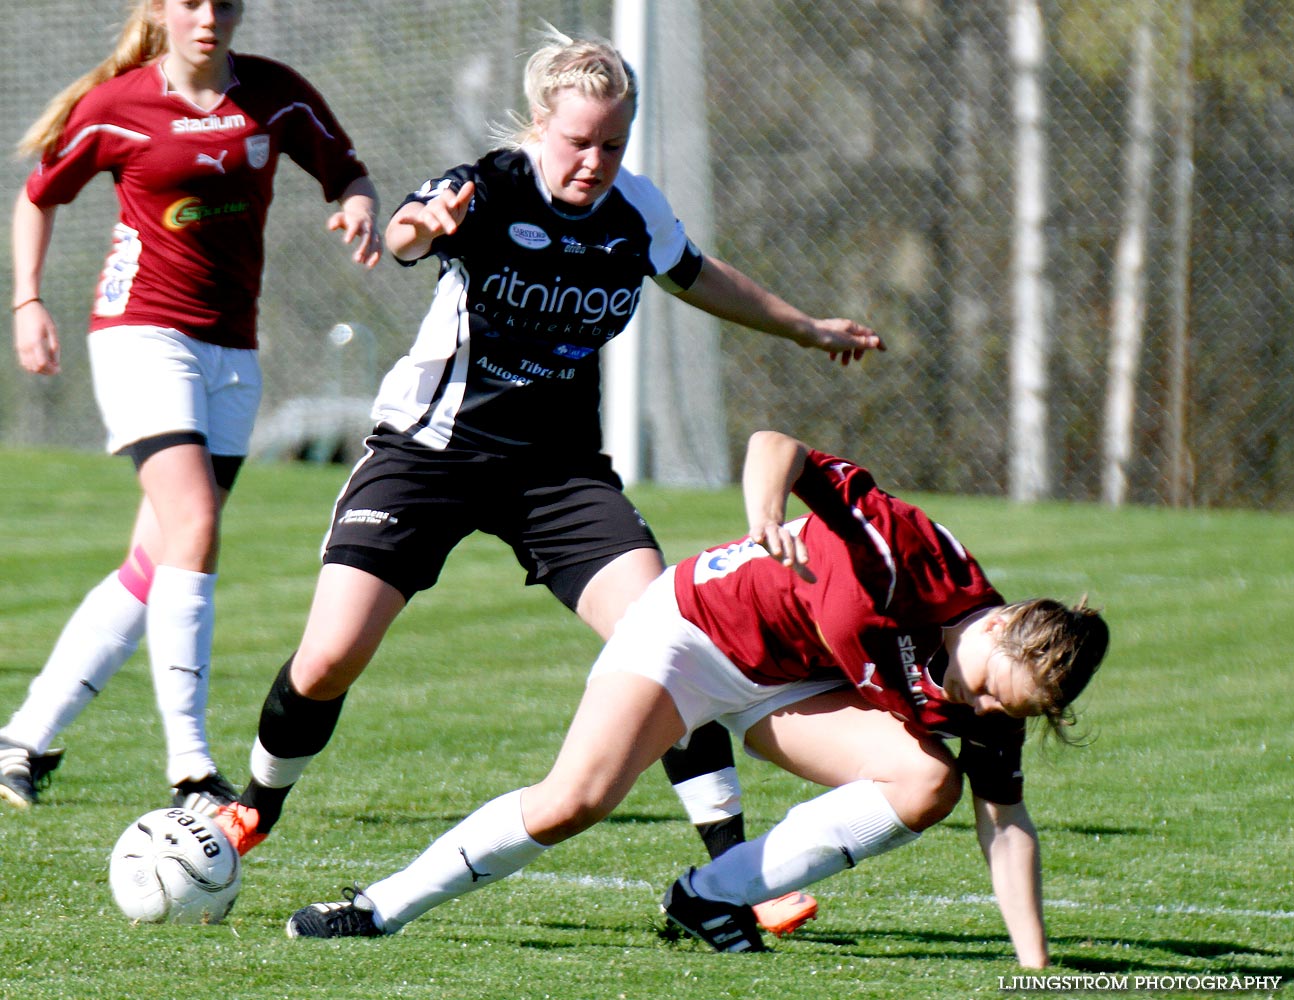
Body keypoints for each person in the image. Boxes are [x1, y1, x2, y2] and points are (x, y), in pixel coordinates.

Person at [212, 28, 882, 936]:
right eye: (579, 142)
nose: (596, 161)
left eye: (614, 142)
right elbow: (414, 231)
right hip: (428, 454)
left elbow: (695, 275)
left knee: (674, 636)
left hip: (558, 475)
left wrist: (803, 327)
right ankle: (258, 801)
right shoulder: (488, 185)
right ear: (539, 126)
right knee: (330, 657)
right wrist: (414, 226)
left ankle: (734, 873)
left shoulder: (634, 210)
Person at [283, 430, 1108, 965]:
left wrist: (1036, 970)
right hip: (691, 633)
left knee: (933, 783)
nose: (991, 713)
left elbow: (1006, 826)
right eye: (998, 692)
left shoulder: (992, 698)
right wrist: (766, 512)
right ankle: (377, 908)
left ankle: (706, 899)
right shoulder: (903, 553)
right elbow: (775, 442)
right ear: (998, 626)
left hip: (790, 682)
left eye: (1016, 713)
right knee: (575, 801)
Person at [0, 0, 381, 813]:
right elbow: (38, 195)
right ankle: (192, 766)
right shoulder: (117, 105)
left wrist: (356, 202)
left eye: (225, 0)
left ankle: (21, 739)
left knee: (155, 563)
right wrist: (27, 302)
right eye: (191, 0)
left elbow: (347, 170)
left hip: (232, 353)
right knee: (196, 525)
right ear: (160, 11)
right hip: (140, 333)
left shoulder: (275, 95)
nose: (209, 15)